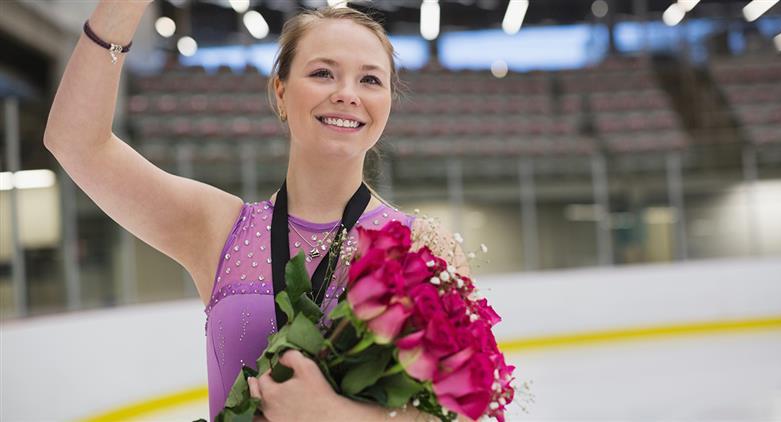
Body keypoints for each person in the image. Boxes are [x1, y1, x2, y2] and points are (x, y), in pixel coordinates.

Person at [45, 1, 470, 420]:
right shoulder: (218, 229)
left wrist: (331, 414)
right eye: (323, 73)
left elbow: (457, 412)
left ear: (388, 103)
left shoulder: (422, 246)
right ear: (280, 92)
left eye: (370, 80)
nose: (347, 94)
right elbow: (77, 142)